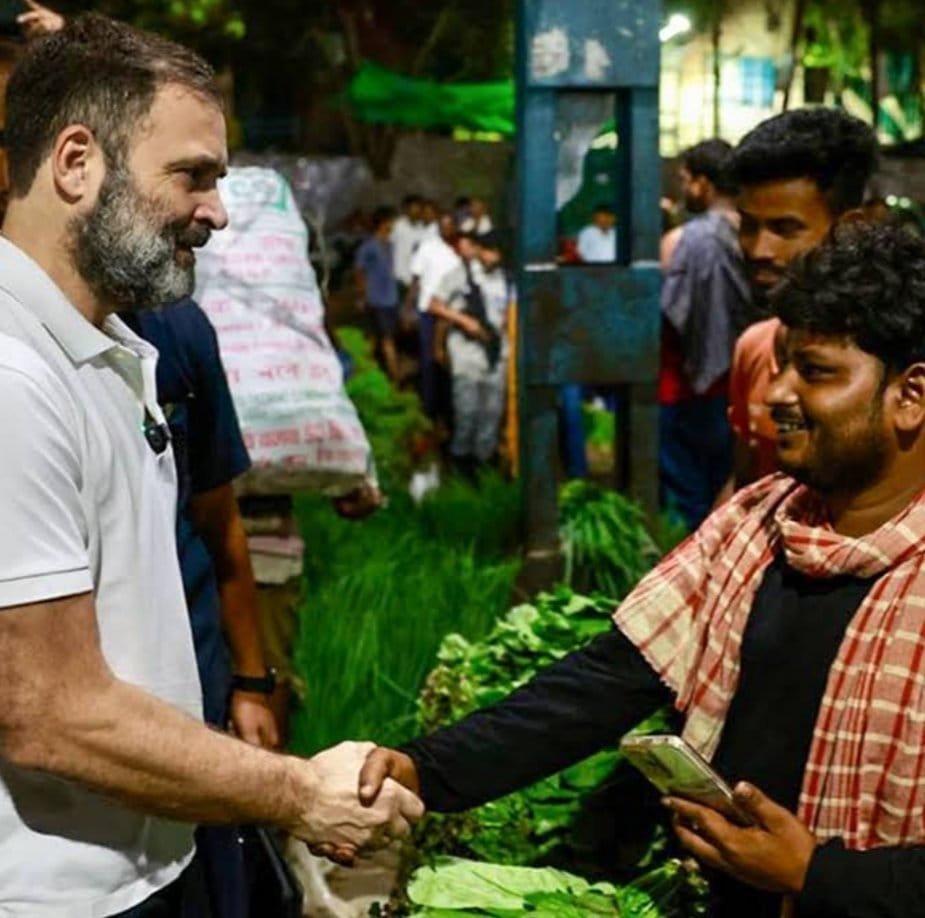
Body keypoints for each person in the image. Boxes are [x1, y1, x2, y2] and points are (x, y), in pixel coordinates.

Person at [360, 222, 925, 918]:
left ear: (910, 395)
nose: (773, 394)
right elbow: (603, 684)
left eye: (813, 371)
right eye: (778, 364)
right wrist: (424, 767)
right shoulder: (756, 523)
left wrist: (815, 874)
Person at [0, 15, 421, 915]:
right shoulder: (12, 377)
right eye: (192, 176)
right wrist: (297, 792)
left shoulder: (112, 349)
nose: (217, 212)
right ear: (76, 163)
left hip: (147, 858)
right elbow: (49, 711)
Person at [724, 107, 878, 492]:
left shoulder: (895, 359)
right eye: (749, 225)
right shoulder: (755, 348)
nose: (759, 249)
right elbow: (746, 483)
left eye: (785, 228)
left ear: (849, 229)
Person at [658, 139, 750, 529]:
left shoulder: (685, 241)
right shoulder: (755, 233)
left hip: (684, 390)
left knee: (686, 500)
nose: (682, 189)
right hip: (743, 387)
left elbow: (668, 317)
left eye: (685, 179)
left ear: (703, 183)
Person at [428, 230, 511, 478]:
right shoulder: (460, 275)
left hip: (496, 351)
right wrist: (464, 321)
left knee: (492, 411)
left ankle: (483, 463)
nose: (490, 257)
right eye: (486, 250)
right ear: (477, 250)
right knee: (467, 410)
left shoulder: (505, 279)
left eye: (495, 252)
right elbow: (433, 304)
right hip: (466, 352)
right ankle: (460, 461)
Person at [408, 211, 461, 419]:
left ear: (455, 227)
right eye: (442, 225)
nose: (445, 229)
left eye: (449, 225)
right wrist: (408, 307)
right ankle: (429, 407)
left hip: (453, 314)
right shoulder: (427, 248)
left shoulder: (461, 250)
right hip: (429, 313)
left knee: (450, 361)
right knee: (428, 360)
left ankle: (450, 407)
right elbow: (416, 279)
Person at [355, 204, 400, 382]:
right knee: (386, 340)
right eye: (391, 221)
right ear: (383, 223)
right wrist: (362, 295)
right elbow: (359, 272)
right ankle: (395, 378)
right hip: (377, 299)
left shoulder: (390, 245)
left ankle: (368, 371)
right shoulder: (369, 247)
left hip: (390, 298)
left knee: (376, 339)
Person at [391, 192, 425, 292]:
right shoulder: (397, 226)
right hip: (398, 276)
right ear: (406, 209)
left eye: (420, 208)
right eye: (414, 208)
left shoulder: (422, 227)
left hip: (415, 279)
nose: (417, 211)